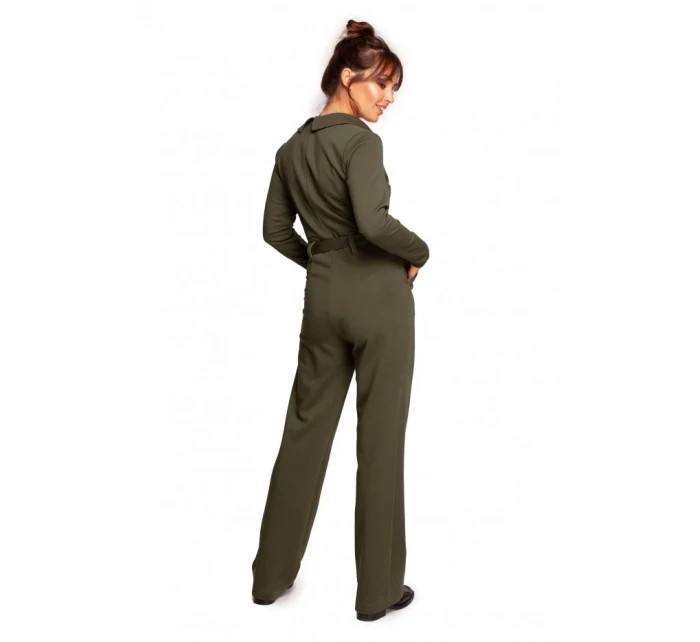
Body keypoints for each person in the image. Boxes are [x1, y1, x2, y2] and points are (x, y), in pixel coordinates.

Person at [250, 19, 430, 622]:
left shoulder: (290, 149)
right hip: (379, 297)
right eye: (381, 84)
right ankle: (377, 593)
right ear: (348, 78)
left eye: (394, 88)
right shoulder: (360, 142)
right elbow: (374, 223)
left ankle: (269, 578)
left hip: (323, 297)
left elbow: (274, 231)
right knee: (379, 444)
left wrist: (320, 262)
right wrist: (420, 251)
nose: (389, 98)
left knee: (303, 433)